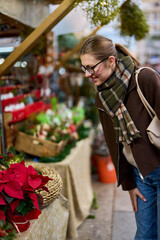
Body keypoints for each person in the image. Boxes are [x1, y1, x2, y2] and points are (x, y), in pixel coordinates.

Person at [80, 35, 160, 240]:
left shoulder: (145, 78)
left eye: (91, 67)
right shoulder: (102, 97)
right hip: (139, 175)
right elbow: (113, 143)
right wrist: (129, 184)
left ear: (111, 61)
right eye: (84, 68)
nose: (87, 74)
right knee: (144, 235)